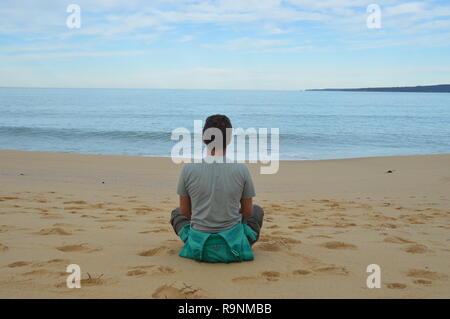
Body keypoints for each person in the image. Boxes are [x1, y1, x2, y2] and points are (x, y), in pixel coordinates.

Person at [170, 114, 264, 263]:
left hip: (200, 241)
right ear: (229, 139)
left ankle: (197, 241)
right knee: (257, 211)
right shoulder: (241, 169)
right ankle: (235, 241)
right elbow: (247, 213)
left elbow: (186, 213)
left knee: (176, 213)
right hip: (231, 241)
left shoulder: (188, 169)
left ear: (203, 138)